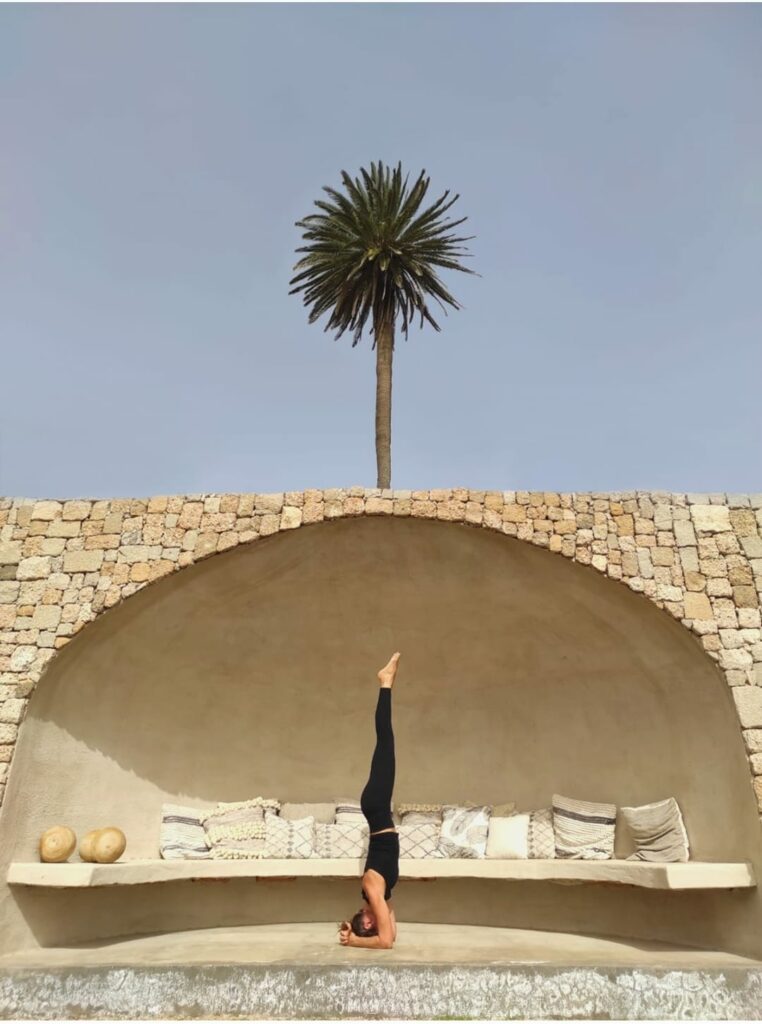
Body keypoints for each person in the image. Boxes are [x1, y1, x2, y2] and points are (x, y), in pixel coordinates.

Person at [337, 652, 401, 950]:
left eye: (366, 919)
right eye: (370, 925)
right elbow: (391, 936)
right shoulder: (381, 901)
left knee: (385, 740)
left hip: (376, 808)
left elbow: (384, 941)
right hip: (379, 810)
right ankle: (385, 683)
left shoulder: (371, 888)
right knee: (385, 742)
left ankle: (385, 682)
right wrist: (355, 934)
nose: (372, 918)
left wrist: (353, 941)